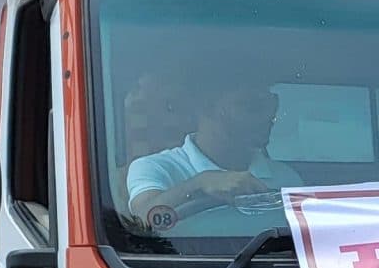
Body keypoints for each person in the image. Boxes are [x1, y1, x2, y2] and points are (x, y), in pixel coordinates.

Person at [123, 80, 300, 233]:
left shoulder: (285, 177)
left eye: (272, 104)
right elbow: (141, 222)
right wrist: (199, 185)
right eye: (251, 105)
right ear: (205, 108)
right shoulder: (155, 167)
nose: (267, 115)